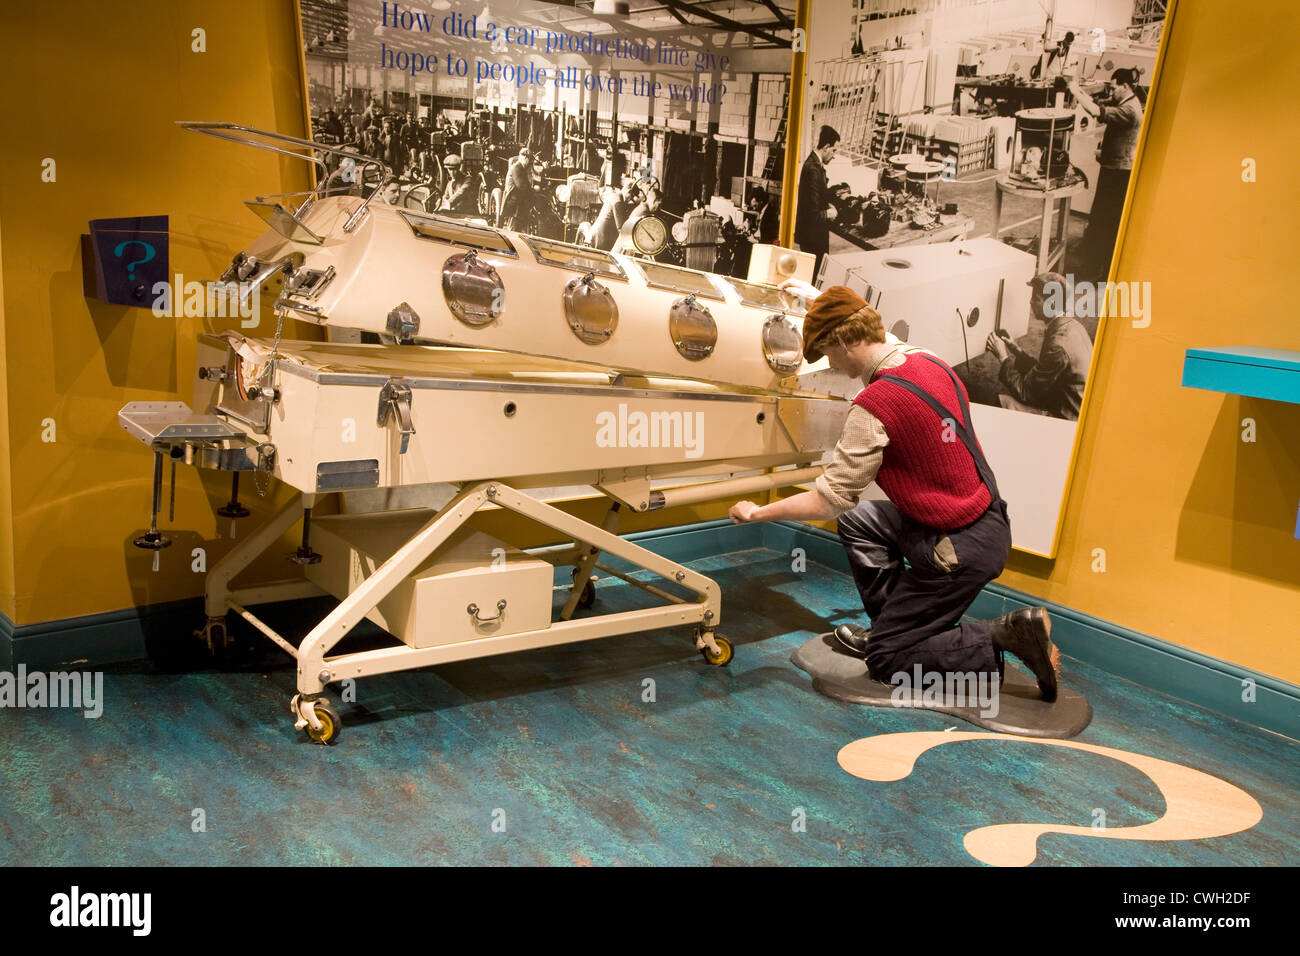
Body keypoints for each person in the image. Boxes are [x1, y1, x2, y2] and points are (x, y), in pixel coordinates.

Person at [727, 283, 1060, 701]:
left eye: (827, 350)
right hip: (981, 520)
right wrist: (820, 301)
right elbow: (856, 316)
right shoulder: (926, 358)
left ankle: (1002, 636)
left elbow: (828, 499)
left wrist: (759, 513)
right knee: (859, 521)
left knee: (886, 662)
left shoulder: (873, 405)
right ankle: (893, 628)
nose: (829, 362)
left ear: (845, 340)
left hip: (958, 550)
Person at [986, 272, 1093, 420]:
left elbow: (1025, 392)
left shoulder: (1058, 346)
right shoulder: (1072, 326)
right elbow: (1044, 370)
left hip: (1067, 418)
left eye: (1036, 298)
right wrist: (1016, 349)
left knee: (999, 402)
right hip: (1072, 402)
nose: (1030, 302)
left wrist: (1003, 357)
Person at [1069, 69, 1143, 281]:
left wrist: (1075, 91)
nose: (1111, 92)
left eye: (1113, 88)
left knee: (1103, 222)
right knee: (1105, 221)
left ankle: (1093, 273)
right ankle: (1099, 270)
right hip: (1114, 168)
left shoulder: (1129, 109)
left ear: (1125, 86)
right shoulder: (1131, 103)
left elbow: (1096, 111)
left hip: (1117, 176)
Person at [794, 125, 841, 281]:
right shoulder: (813, 169)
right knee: (812, 280)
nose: (834, 156)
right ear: (826, 147)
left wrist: (828, 205)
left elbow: (815, 199)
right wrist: (830, 213)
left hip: (811, 236)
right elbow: (812, 214)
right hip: (813, 238)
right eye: (834, 150)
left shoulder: (815, 165)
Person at [498, 146, 535, 229]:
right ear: (525, 158)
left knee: (530, 198)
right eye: (530, 160)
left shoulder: (522, 168)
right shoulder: (516, 168)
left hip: (518, 196)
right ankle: (514, 228)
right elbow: (521, 186)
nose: (530, 162)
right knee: (525, 201)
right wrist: (533, 192)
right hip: (513, 198)